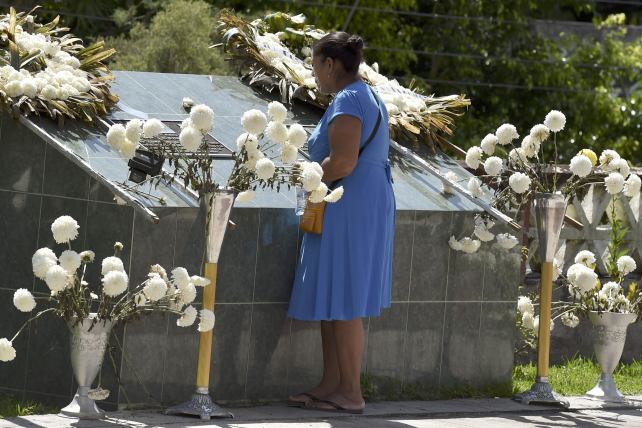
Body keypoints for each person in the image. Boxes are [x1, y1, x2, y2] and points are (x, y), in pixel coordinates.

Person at [287, 31, 396, 414]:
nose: (314, 72)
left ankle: (351, 391)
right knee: (335, 294)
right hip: (353, 200)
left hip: (349, 202)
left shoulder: (350, 99)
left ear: (330, 64)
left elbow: (344, 161)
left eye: (315, 64)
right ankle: (332, 384)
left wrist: (309, 175)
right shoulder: (364, 95)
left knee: (346, 297)